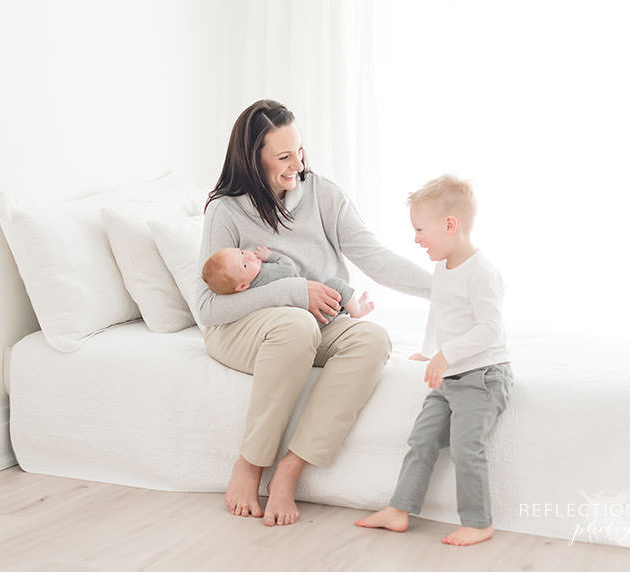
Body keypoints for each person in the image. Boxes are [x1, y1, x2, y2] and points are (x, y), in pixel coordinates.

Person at [197, 99, 431, 527]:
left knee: (372, 338)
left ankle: (290, 469)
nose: (297, 164)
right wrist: (292, 290)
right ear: (254, 159)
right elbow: (209, 308)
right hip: (241, 329)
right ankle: (249, 464)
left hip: (311, 324)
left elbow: (373, 257)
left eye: (300, 151)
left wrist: (440, 286)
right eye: (283, 156)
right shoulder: (225, 211)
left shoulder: (323, 194)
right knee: (295, 323)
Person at [354, 174, 514, 546]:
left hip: (483, 376)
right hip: (452, 377)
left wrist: (447, 354)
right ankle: (399, 509)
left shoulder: (483, 273)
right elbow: (440, 314)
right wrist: (430, 350)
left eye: (420, 229)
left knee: (465, 447)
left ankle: (478, 522)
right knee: (422, 438)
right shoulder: (443, 268)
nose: (416, 239)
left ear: (450, 225)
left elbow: (490, 330)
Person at [201, 245, 375, 326]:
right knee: (335, 285)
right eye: (244, 265)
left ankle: (349, 306)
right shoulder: (267, 273)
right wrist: (270, 256)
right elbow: (288, 266)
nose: (249, 256)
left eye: (241, 252)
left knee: (332, 296)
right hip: (315, 313)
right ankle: (356, 310)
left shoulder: (249, 291)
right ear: (242, 286)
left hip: (306, 318)